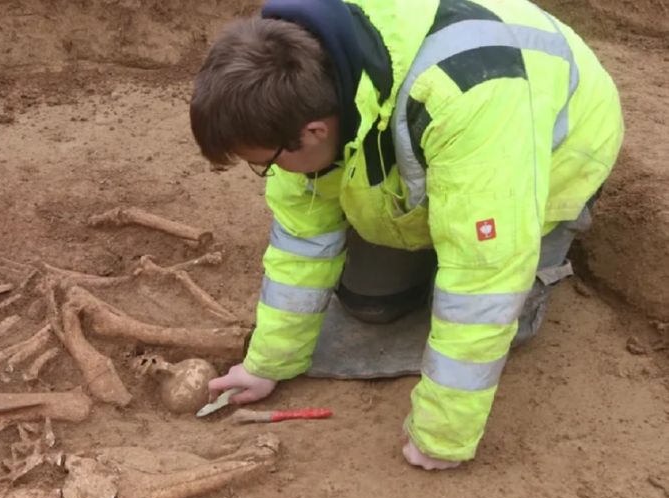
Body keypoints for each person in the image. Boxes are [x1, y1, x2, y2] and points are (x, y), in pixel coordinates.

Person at [189, 0, 624, 470]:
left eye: (265, 162)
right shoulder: (298, 93)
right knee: (370, 304)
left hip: (550, 158)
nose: (268, 171)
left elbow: (484, 278)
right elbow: (303, 240)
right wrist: (268, 364)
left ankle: (537, 263)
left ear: (313, 131)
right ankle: (446, 231)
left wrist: (443, 433)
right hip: (436, 140)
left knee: (490, 290)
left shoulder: (466, 99)